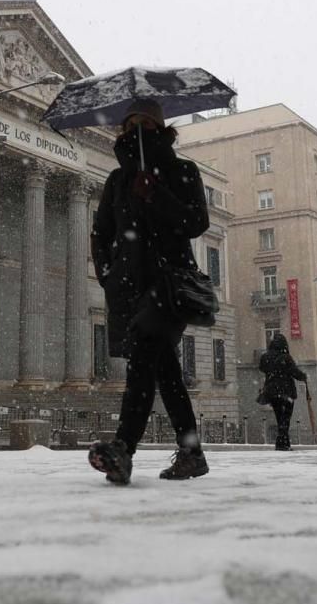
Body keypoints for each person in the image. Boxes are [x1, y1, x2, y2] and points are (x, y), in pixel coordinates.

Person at [87, 99, 211, 485]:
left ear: (159, 128)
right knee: (164, 370)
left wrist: (157, 195)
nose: (133, 132)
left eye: (142, 124)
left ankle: (124, 448)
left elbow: (196, 223)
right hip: (128, 287)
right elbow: (101, 232)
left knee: (143, 358)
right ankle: (191, 453)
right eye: (128, 126)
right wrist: (107, 273)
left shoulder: (182, 171)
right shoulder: (116, 181)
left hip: (169, 284)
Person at [259, 333, 307, 450]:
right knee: (285, 418)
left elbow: (262, 368)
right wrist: (303, 376)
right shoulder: (286, 357)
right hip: (286, 392)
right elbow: (294, 372)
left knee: (279, 416)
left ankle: (281, 443)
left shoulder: (265, 357)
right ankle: (283, 443)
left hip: (272, 393)